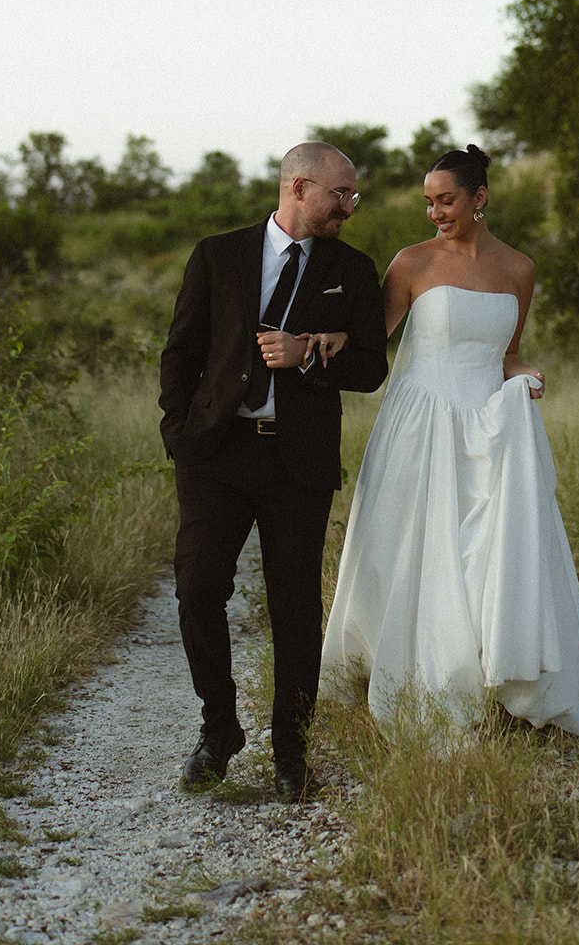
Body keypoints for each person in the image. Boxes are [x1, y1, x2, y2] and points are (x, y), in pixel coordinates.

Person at [320, 144, 579, 736]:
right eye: (428, 202)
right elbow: (370, 339)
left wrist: (523, 375)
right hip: (420, 420)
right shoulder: (413, 263)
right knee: (414, 544)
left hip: (489, 425)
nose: (435, 213)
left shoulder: (519, 269)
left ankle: (492, 672)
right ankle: (406, 668)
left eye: (445, 200)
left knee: (487, 547)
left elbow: (509, 353)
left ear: (480, 197)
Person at [159, 142, 388, 802]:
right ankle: (218, 728)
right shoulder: (217, 253)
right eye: (338, 194)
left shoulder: (353, 269)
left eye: (352, 195)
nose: (349, 206)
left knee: (294, 610)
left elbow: (370, 366)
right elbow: (182, 350)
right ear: (298, 187)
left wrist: (307, 357)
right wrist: (180, 433)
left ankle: (292, 754)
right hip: (217, 455)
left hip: (298, 461)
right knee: (197, 589)